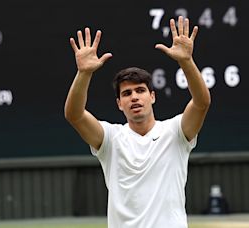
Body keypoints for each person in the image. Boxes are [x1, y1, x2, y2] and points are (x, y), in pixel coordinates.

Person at [64, 16, 211, 228]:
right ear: (119, 103)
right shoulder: (110, 139)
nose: (134, 97)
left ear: (152, 96)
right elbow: (74, 115)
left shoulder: (175, 131)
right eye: (127, 93)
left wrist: (186, 61)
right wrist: (84, 73)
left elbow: (202, 103)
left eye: (140, 90)